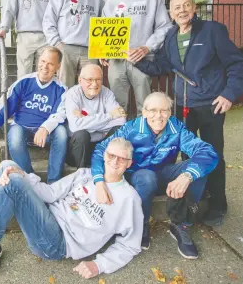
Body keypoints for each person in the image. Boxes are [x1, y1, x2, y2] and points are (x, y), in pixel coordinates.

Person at [0, 138, 143, 282]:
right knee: (7, 165)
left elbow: (130, 245)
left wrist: (99, 265)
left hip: (57, 242)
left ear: (129, 163)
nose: (115, 161)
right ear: (104, 155)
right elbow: (49, 193)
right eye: (111, 155)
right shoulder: (86, 174)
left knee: (13, 183)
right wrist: (24, 174)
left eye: (122, 159)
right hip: (46, 216)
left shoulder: (129, 198)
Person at [131, 0, 243, 227]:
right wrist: (136, 60)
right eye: (176, 8)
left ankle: (218, 204)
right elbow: (161, 66)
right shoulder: (171, 35)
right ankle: (196, 196)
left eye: (186, 6)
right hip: (183, 105)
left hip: (212, 103)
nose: (181, 11)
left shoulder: (212, 30)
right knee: (187, 156)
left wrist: (229, 94)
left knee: (212, 153)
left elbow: (235, 62)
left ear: (194, 8)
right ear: (170, 13)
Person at [92, 92, 218, 259]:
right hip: (139, 177)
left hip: (165, 174)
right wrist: (99, 181)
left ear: (170, 112)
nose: (158, 116)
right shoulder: (131, 128)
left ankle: (181, 224)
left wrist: (187, 176)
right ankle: (142, 224)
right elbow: (101, 149)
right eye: (152, 110)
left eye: (164, 110)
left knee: (198, 170)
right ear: (143, 112)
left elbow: (207, 152)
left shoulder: (176, 127)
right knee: (146, 176)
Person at [0, 47, 68, 184]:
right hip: (22, 127)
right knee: (15, 137)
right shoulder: (24, 82)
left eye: (50, 64)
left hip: (46, 134)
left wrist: (45, 128)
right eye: (43, 61)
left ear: (57, 67)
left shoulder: (61, 89)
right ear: (38, 61)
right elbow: (3, 108)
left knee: (62, 133)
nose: (45, 66)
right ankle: (30, 179)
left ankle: (54, 182)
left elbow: (60, 114)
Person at [100, 0, 172, 115]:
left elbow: (165, 26)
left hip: (143, 60)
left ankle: (144, 139)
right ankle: (119, 139)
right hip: (117, 61)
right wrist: (102, 51)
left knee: (145, 106)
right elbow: (104, 32)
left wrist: (147, 47)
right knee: (117, 108)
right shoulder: (111, 2)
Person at [43, 0, 104, 88]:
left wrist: (101, 50)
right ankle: (65, 110)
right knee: (65, 87)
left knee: (91, 86)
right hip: (65, 48)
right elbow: (48, 22)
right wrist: (58, 45)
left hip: (89, 50)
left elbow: (104, 23)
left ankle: (88, 111)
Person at [65, 63, 126, 168]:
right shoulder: (72, 94)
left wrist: (85, 120)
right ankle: (81, 173)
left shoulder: (107, 93)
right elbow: (75, 126)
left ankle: (108, 168)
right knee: (81, 134)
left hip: (100, 147)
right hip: (78, 149)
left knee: (120, 130)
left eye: (98, 79)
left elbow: (121, 120)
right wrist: (109, 116)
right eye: (89, 80)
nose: (94, 84)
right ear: (80, 80)